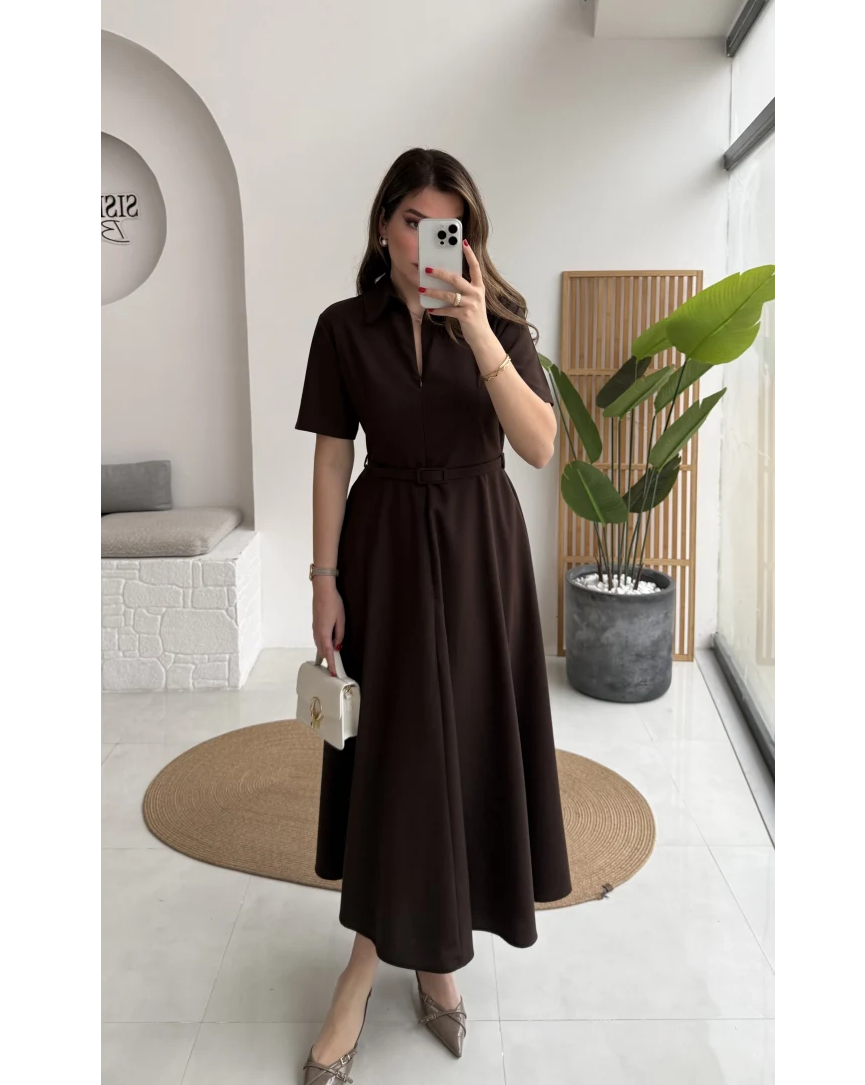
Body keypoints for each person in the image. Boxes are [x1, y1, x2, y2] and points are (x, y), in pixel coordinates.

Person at [294, 148, 572, 1082]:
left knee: (464, 749)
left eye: (442, 223)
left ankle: (429, 960)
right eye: (410, 220)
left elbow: (539, 445)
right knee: (396, 759)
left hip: (480, 555)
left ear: (468, 234)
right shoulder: (343, 328)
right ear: (383, 227)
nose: (424, 240)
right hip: (383, 556)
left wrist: (480, 331)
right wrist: (324, 579)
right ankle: (370, 970)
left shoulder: (503, 323)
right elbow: (333, 455)